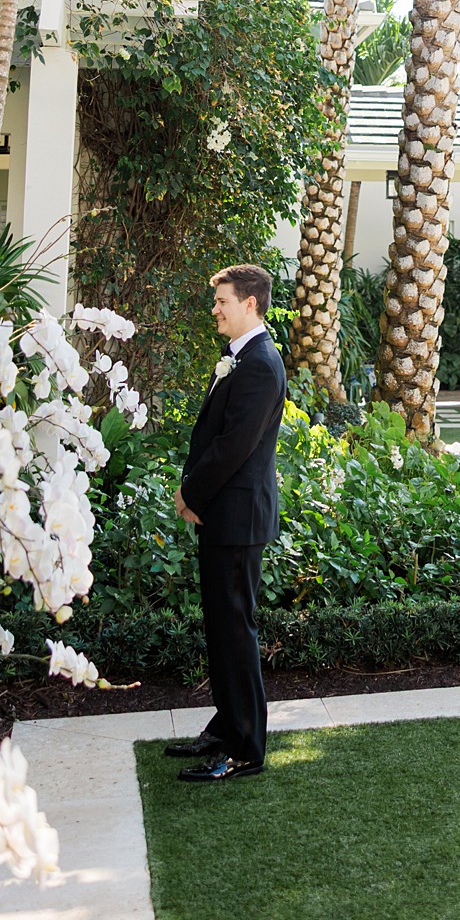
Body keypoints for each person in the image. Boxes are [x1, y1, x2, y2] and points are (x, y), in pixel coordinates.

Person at [164, 265, 287, 781]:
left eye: (222, 300)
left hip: (238, 520)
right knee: (221, 628)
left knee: (237, 632)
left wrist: (191, 493)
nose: (215, 308)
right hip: (224, 517)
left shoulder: (260, 363)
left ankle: (244, 749)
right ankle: (225, 724)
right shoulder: (238, 359)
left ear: (250, 304)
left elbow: (234, 447)